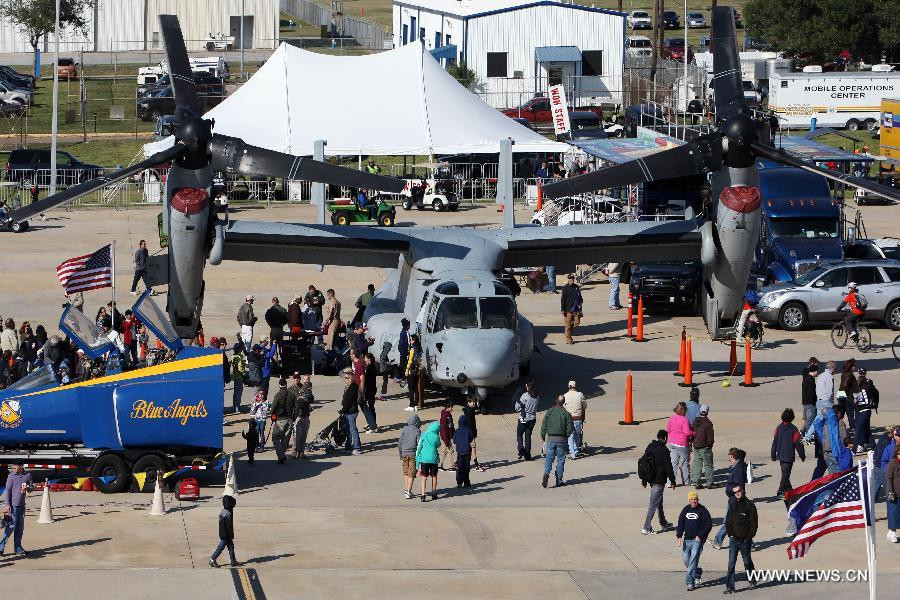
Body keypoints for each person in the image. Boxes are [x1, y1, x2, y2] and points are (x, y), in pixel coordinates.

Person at [640, 430, 676, 535]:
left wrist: (644, 480)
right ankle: (646, 527)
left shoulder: (650, 446)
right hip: (658, 481)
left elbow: (644, 462)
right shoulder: (664, 451)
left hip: (651, 479)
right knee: (653, 504)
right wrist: (673, 481)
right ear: (665, 438)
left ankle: (663, 523)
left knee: (658, 501)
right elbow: (668, 467)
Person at [723, 485, 758, 594]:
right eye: (735, 492)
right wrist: (731, 534)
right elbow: (728, 521)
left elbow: (754, 524)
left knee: (747, 562)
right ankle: (730, 586)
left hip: (745, 540)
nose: (737, 493)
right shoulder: (733, 505)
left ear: (742, 491)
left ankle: (752, 581)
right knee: (731, 563)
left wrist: (748, 537)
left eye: (739, 491)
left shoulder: (750, 505)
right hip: (734, 540)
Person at [675, 490, 712, 592]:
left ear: (697, 500)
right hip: (687, 539)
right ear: (689, 500)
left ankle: (690, 583)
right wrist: (679, 536)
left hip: (698, 540)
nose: (694, 501)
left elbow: (708, 524)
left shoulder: (702, 510)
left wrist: (700, 536)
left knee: (692, 560)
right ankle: (697, 572)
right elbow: (680, 523)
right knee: (686, 559)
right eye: (691, 499)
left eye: (695, 499)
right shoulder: (685, 509)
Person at [712, 448, 748, 549]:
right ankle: (750, 543)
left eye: (729, 455)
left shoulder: (737, 469)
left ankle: (718, 541)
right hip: (734, 499)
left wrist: (729, 489)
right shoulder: (736, 466)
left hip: (735, 499)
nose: (728, 457)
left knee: (729, 521)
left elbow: (738, 486)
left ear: (732, 456)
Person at [0, 460, 33, 556]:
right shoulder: (11, 476)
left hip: (22, 506)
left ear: (21, 467)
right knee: (10, 527)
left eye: (15, 467)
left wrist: (28, 489)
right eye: (13, 467)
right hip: (12, 507)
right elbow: (8, 492)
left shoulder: (28, 475)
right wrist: (7, 505)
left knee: (19, 528)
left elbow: (31, 488)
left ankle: (18, 549)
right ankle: (0, 547)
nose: (13, 469)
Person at [771, 408, 806, 498]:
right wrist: (802, 455)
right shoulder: (794, 429)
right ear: (792, 418)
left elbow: (775, 441)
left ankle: (790, 491)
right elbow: (798, 444)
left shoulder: (778, 428)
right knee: (785, 475)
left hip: (781, 456)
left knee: (785, 474)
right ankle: (780, 490)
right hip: (788, 457)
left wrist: (773, 454)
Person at [541, 395, 575, 489]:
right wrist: (565, 435)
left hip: (551, 438)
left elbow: (544, 424)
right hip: (562, 440)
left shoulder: (550, 411)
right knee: (560, 460)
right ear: (563, 402)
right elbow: (571, 428)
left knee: (549, 458)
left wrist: (543, 435)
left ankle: (546, 474)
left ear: (556, 401)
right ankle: (559, 480)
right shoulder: (566, 413)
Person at [666, 402, 694, 486]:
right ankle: (686, 481)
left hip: (672, 443)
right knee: (685, 463)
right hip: (682, 444)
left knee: (673, 463)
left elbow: (668, 430)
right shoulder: (685, 419)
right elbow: (687, 432)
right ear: (684, 410)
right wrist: (694, 433)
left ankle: (670, 482)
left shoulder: (671, 418)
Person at [269, 378, 296, 464]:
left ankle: (281, 456)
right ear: (286, 384)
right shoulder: (291, 394)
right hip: (290, 419)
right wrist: (293, 417)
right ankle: (282, 454)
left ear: (279, 385)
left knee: (275, 437)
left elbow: (273, 408)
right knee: (285, 438)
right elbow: (296, 407)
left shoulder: (278, 395)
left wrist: (272, 416)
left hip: (280, 420)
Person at [209, 495, 239, 568]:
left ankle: (233, 561)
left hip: (224, 533)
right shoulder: (228, 513)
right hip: (225, 535)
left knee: (231, 546)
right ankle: (212, 560)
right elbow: (228, 526)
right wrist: (231, 535)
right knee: (220, 547)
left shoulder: (223, 511)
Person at [416, 421, 441, 502]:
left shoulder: (424, 434)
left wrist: (417, 455)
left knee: (424, 477)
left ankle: (423, 495)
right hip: (434, 459)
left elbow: (419, 447)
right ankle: (434, 493)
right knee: (434, 476)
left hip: (424, 459)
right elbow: (438, 445)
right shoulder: (436, 436)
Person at [854, 368, 877, 452]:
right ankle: (874, 446)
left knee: (859, 429)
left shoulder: (858, 383)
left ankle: (856, 447)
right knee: (866, 428)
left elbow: (855, 399)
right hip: (867, 409)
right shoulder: (869, 382)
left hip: (861, 410)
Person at [691, 404, 714, 488]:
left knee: (697, 465)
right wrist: (709, 445)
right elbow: (710, 437)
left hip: (696, 446)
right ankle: (710, 483)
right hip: (705, 447)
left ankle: (696, 482)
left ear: (700, 411)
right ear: (707, 412)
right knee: (708, 465)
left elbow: (692, 432)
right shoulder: (708, 423)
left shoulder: (696, 421)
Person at [515, 381, 539, 460]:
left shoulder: (525, 395)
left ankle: (521, 449)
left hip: (524, 418)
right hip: (532, 419)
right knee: (528, 436)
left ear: (527, 386)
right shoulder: (536, 396)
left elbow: (517, 407)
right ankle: (527, 455)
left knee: (519, 434)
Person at [340, 368, 362, 455]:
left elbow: (349, 401)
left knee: (352, 429)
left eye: (345, 374)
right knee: (348, 429)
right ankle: (348, 446)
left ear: (349, 375)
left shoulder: (352, 386)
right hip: (347, 410)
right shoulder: (348, 385)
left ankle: (357, 447)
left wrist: (343, 410)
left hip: (351, 411)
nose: (344, 376)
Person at [399, 413, 421, 499]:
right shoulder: (417, 431)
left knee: (406, 472)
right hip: (413, 454)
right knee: (412, 473)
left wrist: (401, 454)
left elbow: (400, 443)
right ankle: (408, 491)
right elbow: (419, 444)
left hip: (404, 454)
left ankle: (406, 489)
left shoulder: (404, 429)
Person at [563, 380, 586, 459]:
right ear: (575, 386)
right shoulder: (580, 395)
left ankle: (572, 453)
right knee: (577, 435)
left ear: (569, 386)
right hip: (578, 418)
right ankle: (576, 451)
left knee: (570, 436)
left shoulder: (565, 395)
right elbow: (584, 406)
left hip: (569, 419)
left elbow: (563, 407)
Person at [291, 373, 313, 459]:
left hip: (305, 413)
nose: (297, 379)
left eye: (298, 378)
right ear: (293, 379)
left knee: (304, 434)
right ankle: (294, 451)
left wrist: (307, 398)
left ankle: (301, 452)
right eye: (295, 378)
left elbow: (312, 398)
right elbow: (290, 403)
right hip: (297, 415)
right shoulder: (291, 389)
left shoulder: (306, 387)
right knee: (297, 434)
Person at [463, 394, 485, 472]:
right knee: (473, 447)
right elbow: (470, 424)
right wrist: (473, 433)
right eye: (473, 402)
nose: (474, 403)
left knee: (469, 448)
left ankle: (468, 463)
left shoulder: (469, 409)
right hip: (470, 433)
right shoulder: (469, 411)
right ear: (469, 402)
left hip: (469, 432)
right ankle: (475, 464)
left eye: (475, 402)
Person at [560, 274, 583, 344]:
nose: (571, 280)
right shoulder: (565, 288)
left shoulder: (576, 287)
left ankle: (569, 331)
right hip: (568, 310)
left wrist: (581, 301)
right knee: (568, 325)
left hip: (576, 309)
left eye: (572, 278)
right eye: (570, 278)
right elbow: (563, 299)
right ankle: (568, 339)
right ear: (568, 279)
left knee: (577, 322)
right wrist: (562, 309)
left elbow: (579, 296)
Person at [454, 414, 475, 488]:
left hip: (459, 452)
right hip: (467, 451)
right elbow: (471, 439)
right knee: (466, 467)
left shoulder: (457, 431)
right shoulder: (468, 430)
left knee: (459, 467)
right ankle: (466, 482)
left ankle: (459, 482)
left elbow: (454, 441)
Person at [838, 358, 859, 431]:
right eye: (854, 366)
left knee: (843, 413)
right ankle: (853, 428)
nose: (855, 367)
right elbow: (845, 386)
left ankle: (849, 427)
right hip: (847, 396)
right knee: (851, 413)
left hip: (842, 395)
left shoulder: (844, 373)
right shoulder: (849, 375)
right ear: (851, 366)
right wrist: (850, 394)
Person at [360, 353, 378, 433]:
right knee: (370, 407)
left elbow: (368, 379)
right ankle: (370, 422)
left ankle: (373, 424)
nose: (364, 360)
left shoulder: (371, 367)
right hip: (370, 390)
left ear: (369, 359)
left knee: (370, 407)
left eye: (365, 358)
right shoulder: (369, 367)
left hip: (371, 390)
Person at [801, 357, 819, 434]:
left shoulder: (806, 375)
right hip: (809, 402)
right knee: (810, 419)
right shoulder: (809, 379)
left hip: (805, 401)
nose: (818, 372)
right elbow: (811, 392)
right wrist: (814, 400)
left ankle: (803, 430)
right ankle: (808, 435)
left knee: (807, 419)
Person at [886, 445, 900, 543]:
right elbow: (889, 478)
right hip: (894, 493)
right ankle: (892, 532)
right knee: (894, 514)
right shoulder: (892, 464)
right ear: (896, 453)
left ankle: (891, 532)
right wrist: (891, 491)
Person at [404, 335, 422, 411]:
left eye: (411, 340)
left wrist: (407, 370)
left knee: (411, 389)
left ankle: (411, 405)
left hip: (412, 371)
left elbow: (410, 361)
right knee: (415, 389)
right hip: (417, 371)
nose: (410, 341)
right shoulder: (419, 349)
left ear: (414, 341)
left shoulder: (412, 349)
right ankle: (416, 405)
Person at [438, 399, 455, 470]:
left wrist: (453, 433)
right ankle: (452, 466)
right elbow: (444, 429)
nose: (452, 408)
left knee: (444, 451)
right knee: (451, 451)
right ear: (447, 407)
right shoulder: (445, 416)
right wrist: (446, 440)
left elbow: (451, 426)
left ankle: (440, 465)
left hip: (448, 437)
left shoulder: (449, 415)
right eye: (450, 407)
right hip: (446, 437)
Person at [230, 342, 247, 413]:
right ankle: (237, 408)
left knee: (235, 392)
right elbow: (240, 368)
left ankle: (235, 406)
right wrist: (245, 374)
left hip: (235, 376)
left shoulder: (233, 356)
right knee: (239, 393)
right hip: (240, 376)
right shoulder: (239, 357)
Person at [396, 318, 411, 384]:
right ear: (406, 326)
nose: (409, 327)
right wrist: (404, 351)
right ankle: (401, 377)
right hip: (404, 352)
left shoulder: (407, 333)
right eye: (408, 325)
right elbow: (402, 343)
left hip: (407, 351)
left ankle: (404, 377)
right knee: (402, 365)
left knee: (406, 364)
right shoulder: (403, 333)